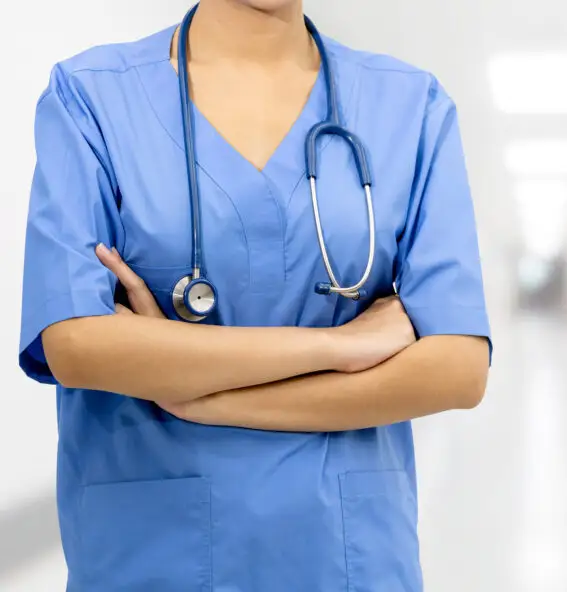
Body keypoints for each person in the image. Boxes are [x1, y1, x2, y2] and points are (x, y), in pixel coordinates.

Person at [17, 0, 491, 590]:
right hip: (151, 557)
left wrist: (202, 395)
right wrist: (339, 346)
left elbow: (458, 369)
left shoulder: (410, 106)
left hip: (346, 560)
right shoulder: (90, 98)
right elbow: (76, 344)